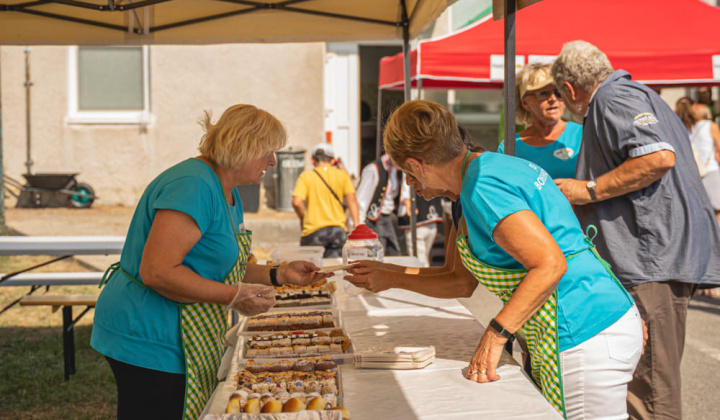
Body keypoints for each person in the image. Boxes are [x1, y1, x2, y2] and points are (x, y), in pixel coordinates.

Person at [354, 99, 643, 419]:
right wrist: (389, 274)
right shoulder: (482, 173)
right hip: (599, 317)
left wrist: (495, 335)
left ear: (418, 166)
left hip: (583, 327)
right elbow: (460, 281)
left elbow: (551, 263)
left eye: (408, 174)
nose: (411, 185)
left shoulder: (482, 187)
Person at [91, 104, 330, 420]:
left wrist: (281, 273)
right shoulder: (194, 185)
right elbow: (158, 271)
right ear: (243, 147)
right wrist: (233, 296)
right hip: (149, 333)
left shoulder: (226, 191)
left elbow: (224, 265)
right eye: (268, 152)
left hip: (176, 330)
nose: (273, 161)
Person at [551, 40, 720, 420]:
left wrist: (588, 189)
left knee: (651, 393)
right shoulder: (634, 94)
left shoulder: (613, 97)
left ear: (570, 88)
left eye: (560, 94)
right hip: (656, 257)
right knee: (647, 385)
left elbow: (658, 158)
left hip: (650, 260)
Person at [497, 63, 583, 179]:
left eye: (558, 93)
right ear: (525, 103)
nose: (553, 99)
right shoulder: (510, 147)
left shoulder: (583, 135)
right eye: (543, 94)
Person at [676, 98, 720, 299]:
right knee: (717, 228)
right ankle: (715, 279)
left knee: (701, 228)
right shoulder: (710, 126)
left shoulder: (683, 127)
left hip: (694, 178)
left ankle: (703, 279)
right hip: (712, 175)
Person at [292, 142, 360, 258]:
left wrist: (303, 218)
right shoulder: (343, 175)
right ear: (333, 161)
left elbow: (296, 202)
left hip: (313, 232)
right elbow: (352, 200)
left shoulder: (305, 176)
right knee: (334, 269)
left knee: (310, 271)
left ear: (313, 160)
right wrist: (357, 226)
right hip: (337, 232)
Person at [355, 153, 402, 256]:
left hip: (388, 217)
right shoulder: (373, 169)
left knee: (394, 251)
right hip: (374, 221)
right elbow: (361, 200)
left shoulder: (395, 170)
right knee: (378, 254)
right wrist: (360, 226)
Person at [397, 174, 444, 267]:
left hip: (418, 221)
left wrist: (410, 209)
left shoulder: (410, 167)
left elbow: (406, 194)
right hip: (432, 218)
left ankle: (426, 280)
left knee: (419, 262)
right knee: (424, 258)